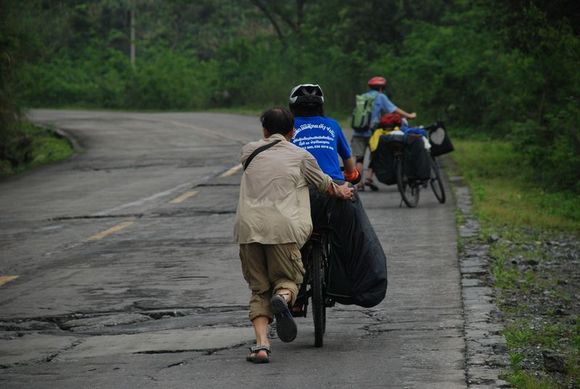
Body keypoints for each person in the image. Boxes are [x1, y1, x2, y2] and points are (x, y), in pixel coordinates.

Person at [233, 107, 353, 364]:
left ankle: (262, 346)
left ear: (264, 130)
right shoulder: (301, 156)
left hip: (248, 230)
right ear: (293, 131)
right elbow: (324, 184)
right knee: (287, 280)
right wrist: (342, 191)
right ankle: (284, 297)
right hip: (283, 230)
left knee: (258, 289)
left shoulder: (248, 151)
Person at [288, 84, 360, 184]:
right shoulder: (333, 124)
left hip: (301, 185)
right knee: (350, 195)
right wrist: (350, 173)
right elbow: (348, 161)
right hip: (334, 183)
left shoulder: (288, 125)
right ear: (320, 106)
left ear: (292, 107)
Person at [358, 76, 417, 191]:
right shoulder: (380, 96)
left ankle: (359, 184)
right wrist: (409, 116)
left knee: (359, 158)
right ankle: (369, 178)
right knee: (376, 154)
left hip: (358, 131)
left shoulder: (362, 97)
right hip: (373, 132)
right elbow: (394, 109)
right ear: (381, 88)